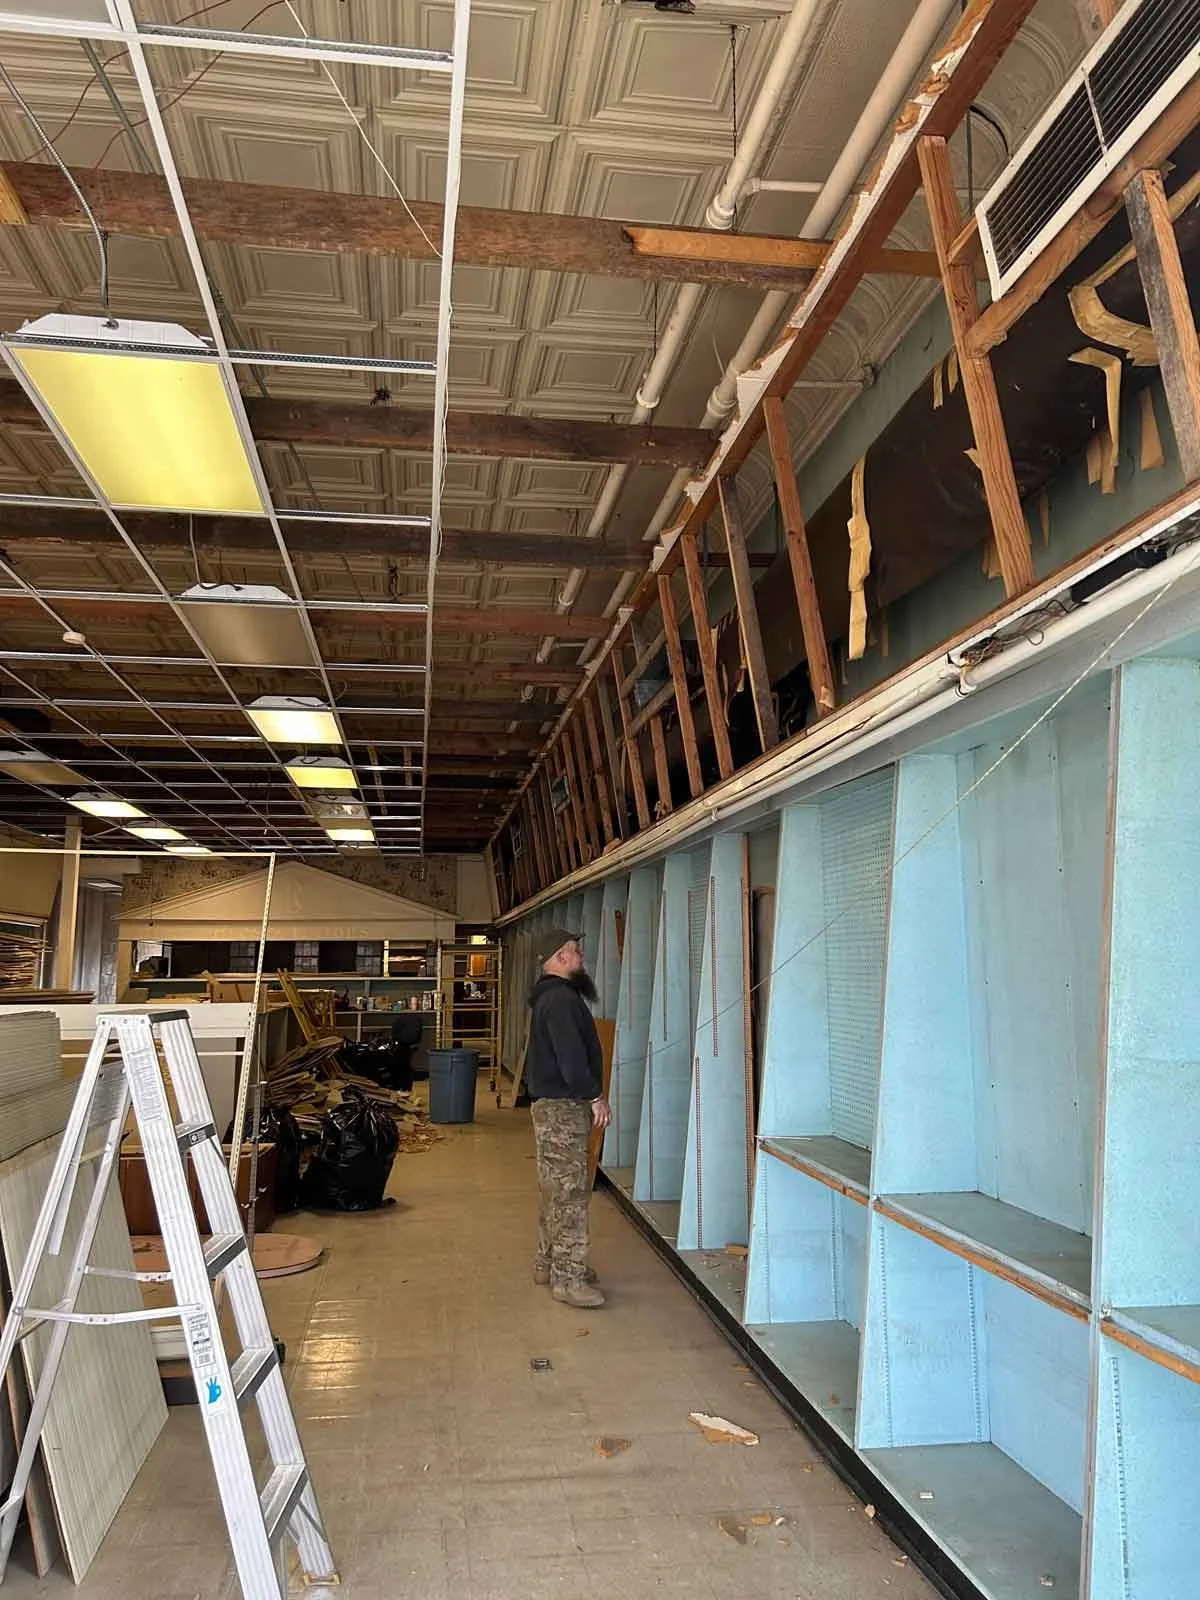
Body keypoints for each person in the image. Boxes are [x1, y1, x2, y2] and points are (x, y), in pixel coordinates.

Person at [526, 927, 612, 1309]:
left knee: (554, 1190)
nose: (581, 959)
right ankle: (569, 1279)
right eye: (576, 952)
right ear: (561, 956)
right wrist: (595, 1096)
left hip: (552, 1106)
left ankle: (548, 1263)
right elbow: (571, 1058)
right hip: (563, 1109)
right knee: (570, 1194)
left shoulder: (550, 997)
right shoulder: (561, 1000)